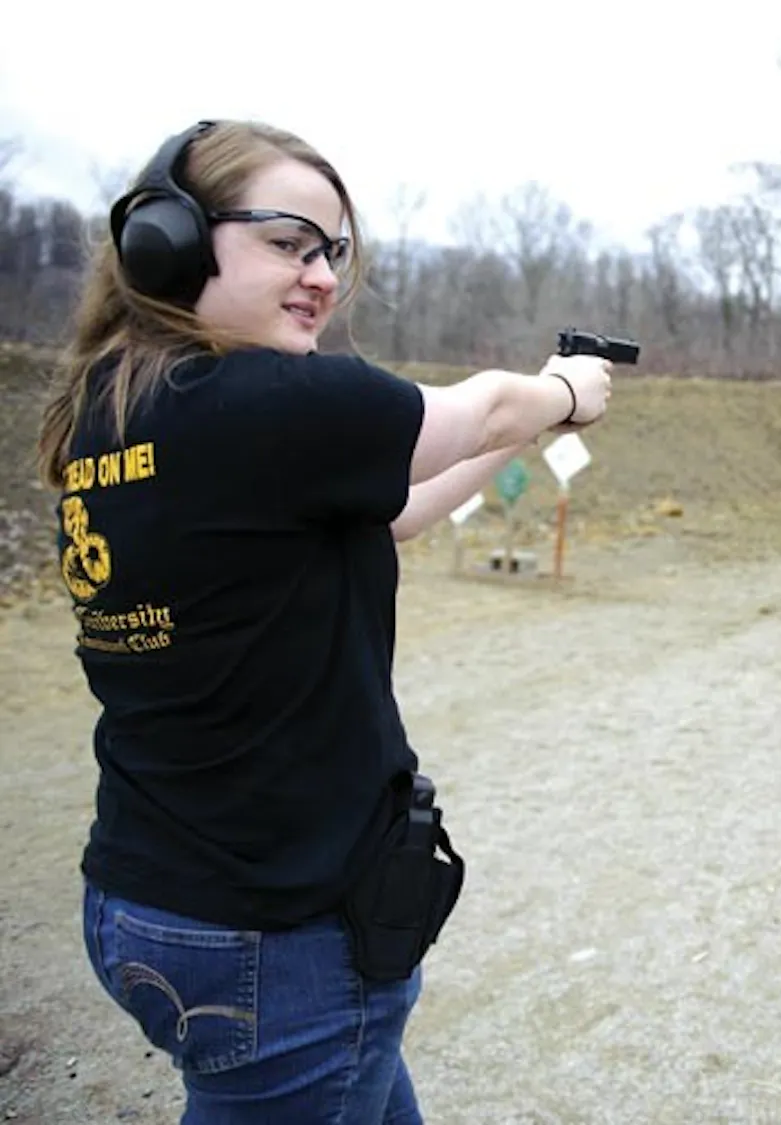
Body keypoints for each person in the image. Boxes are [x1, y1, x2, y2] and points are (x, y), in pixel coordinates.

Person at [34, 118, 613, 1124]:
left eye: (332, 252)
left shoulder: (114, 410)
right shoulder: (270, 403)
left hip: (151, 894)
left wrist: (530, 424)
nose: (321, 277)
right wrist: (565, 391)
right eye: (287, 242)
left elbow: (393, 512)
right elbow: (481, 410)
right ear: (167, 241)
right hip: (274, 933)